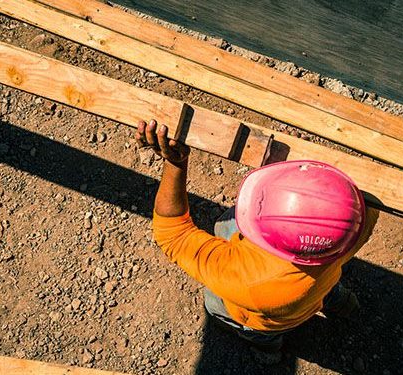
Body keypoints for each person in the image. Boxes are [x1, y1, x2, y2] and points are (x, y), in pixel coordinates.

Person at [135, 119, 378, 353]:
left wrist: (175, 164)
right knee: (328, 289)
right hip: (322, 283)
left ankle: (269, 349)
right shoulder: (355, 219)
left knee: (219, 308)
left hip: (267, 320)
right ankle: (345, 304)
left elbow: (173, 235)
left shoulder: (251, 282)